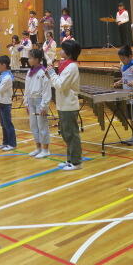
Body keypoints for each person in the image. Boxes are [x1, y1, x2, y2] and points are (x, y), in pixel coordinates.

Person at [46, 40, 82, 171]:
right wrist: (51, 75)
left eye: (62, 49)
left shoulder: (72, 67)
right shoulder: (65, 65)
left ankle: (76, 162)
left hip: (69, 105)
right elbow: (58, 83)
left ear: (68, 53)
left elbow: (60, 85)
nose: (60, 51)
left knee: (71, 134)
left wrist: (51, 73)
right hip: (63, 104)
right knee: (66, 134)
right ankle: (70, 160)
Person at [24, 49, 52, 159]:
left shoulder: (43, 72)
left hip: (40, 101)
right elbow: (27, 89)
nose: (28, 60)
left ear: (37, 59)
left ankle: (45, 150)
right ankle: (38, 148)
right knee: (33, 125)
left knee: (42, 126)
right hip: (31, 101)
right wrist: (26, 102)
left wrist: (44, 105)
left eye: (30, 58)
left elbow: (46, 90)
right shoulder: (29, 72)